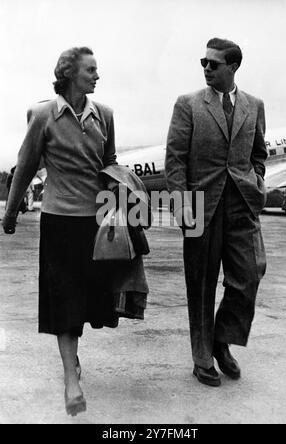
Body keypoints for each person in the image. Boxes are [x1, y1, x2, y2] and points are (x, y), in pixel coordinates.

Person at [2, 46, 149, 416]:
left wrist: (124, 197)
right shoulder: (43, 116)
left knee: (91, 302)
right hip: (58, 223)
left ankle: (73, 363)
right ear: (69, 74)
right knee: (63, 300)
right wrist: (11, 211)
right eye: (91, 70)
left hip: (98, 225)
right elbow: (25, 165)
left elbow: (111, 162)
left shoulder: (106, 116)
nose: (97, 76)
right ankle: (71, 379)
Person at [165, 38, 267, 387]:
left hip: (241, 205)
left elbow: (258, 155)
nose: (206, 68)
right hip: (199, 207)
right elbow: (175, 161)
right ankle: (202, 358)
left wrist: (258, 185)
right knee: (201, 284)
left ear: (233, 66)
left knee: (250, 273)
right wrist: (182, 206)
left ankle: (222, 340)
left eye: (214, 64)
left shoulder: (255, 106)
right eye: (203, 63)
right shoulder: (188, 105)